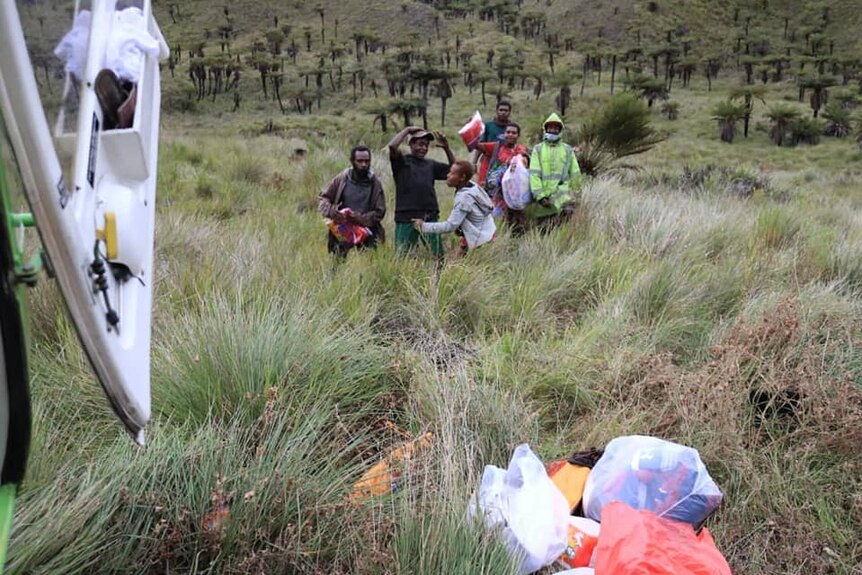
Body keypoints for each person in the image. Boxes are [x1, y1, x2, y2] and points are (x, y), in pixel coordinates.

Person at [388, 126, 455, 257]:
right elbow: (392, 146)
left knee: (437, 255)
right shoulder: (401, 162)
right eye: (420, 144)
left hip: (429, 216)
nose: (423, 148)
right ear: (411, 144)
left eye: (426, 145)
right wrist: (407, 130)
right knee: (402, 256)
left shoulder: (430, 164)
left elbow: (455, 169)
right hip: (405, 216)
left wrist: (446, 148)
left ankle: (438, 276)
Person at [411, 160, 496, 256]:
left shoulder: (464, 197)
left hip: (480, 237)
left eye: (452, 173)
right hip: (485, 231)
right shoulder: (472, 185)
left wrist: (423, 226)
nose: (447, 175)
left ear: (462, 177)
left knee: (453, 265)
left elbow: (450, 226)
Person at [318, 145, 386, 257]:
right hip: (343, 228)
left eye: (366, 161)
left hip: (367, 231)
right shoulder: (342, 178)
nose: (363, 165)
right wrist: (331, 212)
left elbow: (380, 212)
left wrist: (360, 218)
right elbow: (324, 198)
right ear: (352, 161)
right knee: (337, 263)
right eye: (360, 161)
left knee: (370, 266)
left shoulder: (375, 183)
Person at [525, 113, 582, 229]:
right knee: (542, 228)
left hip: (562, 196)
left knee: (561, 226)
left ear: (560, 130)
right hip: (543, 198)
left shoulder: (567, 150)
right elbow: (534, 174)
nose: (553, 130)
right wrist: (540, 196)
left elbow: (575, 173)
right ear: (545, 129)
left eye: (556, 128)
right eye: (550, 127)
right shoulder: (538, 149)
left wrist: (575, 196)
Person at [473, 122, 529, 228]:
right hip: (496, 191)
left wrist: (519, 159)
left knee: (516, 219)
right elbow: (476, 145)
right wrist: (473, 132)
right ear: (504, 134)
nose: (511, 135)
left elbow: (523, 157)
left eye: (514, 133)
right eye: (508, 132)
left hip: (514, 191)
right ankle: (497, 239)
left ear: (518, 136)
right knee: (496, 219)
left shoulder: (519, 149)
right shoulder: (496, 147)